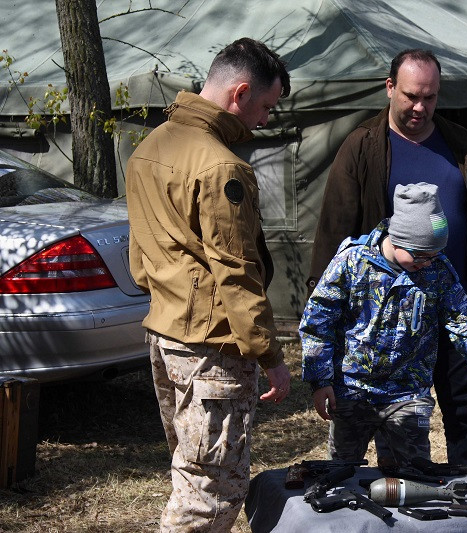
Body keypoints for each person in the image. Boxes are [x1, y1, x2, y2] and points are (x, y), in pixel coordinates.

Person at [307, 48, 467, 465]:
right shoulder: (362, 146)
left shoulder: (464, 146)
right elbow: (333, 230)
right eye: (412, 95)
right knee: (371, 420)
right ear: (390, 87)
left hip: (451, 300)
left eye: (429, 97)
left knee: (465, 414)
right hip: (384, 316)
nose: (420, 107)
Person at [126, 38, 292, 532]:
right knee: (211, 491)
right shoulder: (222, 166)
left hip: (165, 335)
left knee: (191, 472)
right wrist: (271, 356)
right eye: (265, 107)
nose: (265, 120)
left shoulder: (149, 149)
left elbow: (141, 256)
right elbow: (237, 272)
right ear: (239, 93)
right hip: (211, 348)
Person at [301, 183, 467, 465]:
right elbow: (318, 320)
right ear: (397, 238)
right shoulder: (352, 262)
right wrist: (320, 380)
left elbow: (464, 323)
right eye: (420, 254)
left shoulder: (437, 272)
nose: (427, 263)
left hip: (408, 394)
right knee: (343, 474)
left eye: (434, 255)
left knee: (411, 477)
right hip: (352, 390)